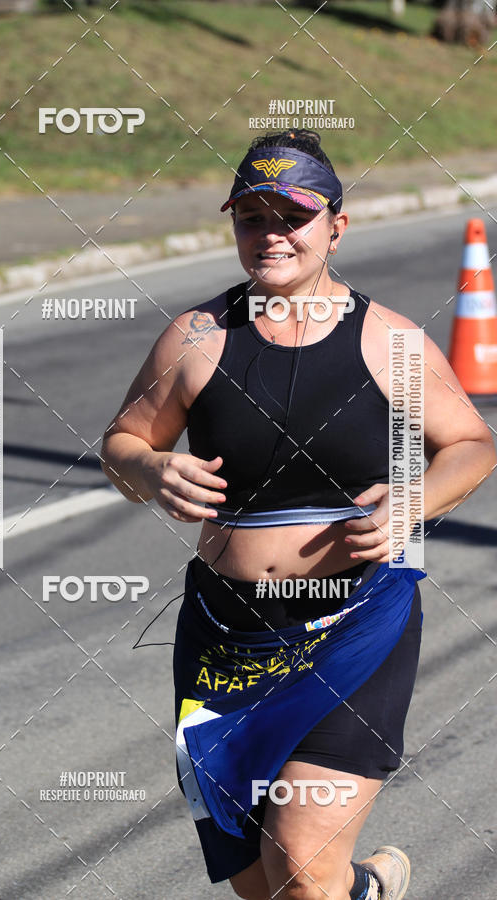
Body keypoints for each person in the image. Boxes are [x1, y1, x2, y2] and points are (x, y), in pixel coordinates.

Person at [101, 129, 496, 900]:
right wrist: (150, 467)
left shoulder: (389, 341)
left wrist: (415, 503)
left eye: (293, 216)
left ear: (335, 228)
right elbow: (123, 443)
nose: (271, 234)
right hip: (224, 632)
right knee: (260, 884)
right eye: (252, 217)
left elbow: (472, 444)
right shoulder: (197, 337)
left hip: (353, 623)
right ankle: (366, 887)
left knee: (300, 868)